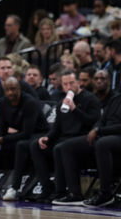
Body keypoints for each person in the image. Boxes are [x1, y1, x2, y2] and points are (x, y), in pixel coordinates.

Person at [30, 70, 101, 204]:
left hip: (85, 139)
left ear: (79, 83)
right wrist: (47, 138)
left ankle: (72, 193)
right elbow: (57, 128)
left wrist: (75, 109)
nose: (69, 86)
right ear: (62, 86)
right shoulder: (61, 103)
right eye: (65, 84)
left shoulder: (91, 99)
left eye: (72, 83)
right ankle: (48, 188)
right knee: (36, 145)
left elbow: (92, 122)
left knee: (61, 147)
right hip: (65, 138)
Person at [0, 77, 48, 200]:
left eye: (13, 89)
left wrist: (1, 140)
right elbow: (2, 130)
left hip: (37, 135)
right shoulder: (2, 102)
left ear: (19, 88)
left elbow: (27, 133)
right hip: (19, 135)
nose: (10, 93)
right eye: (7, 90)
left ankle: (14, 188)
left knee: (20, 145)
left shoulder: (30, 103)